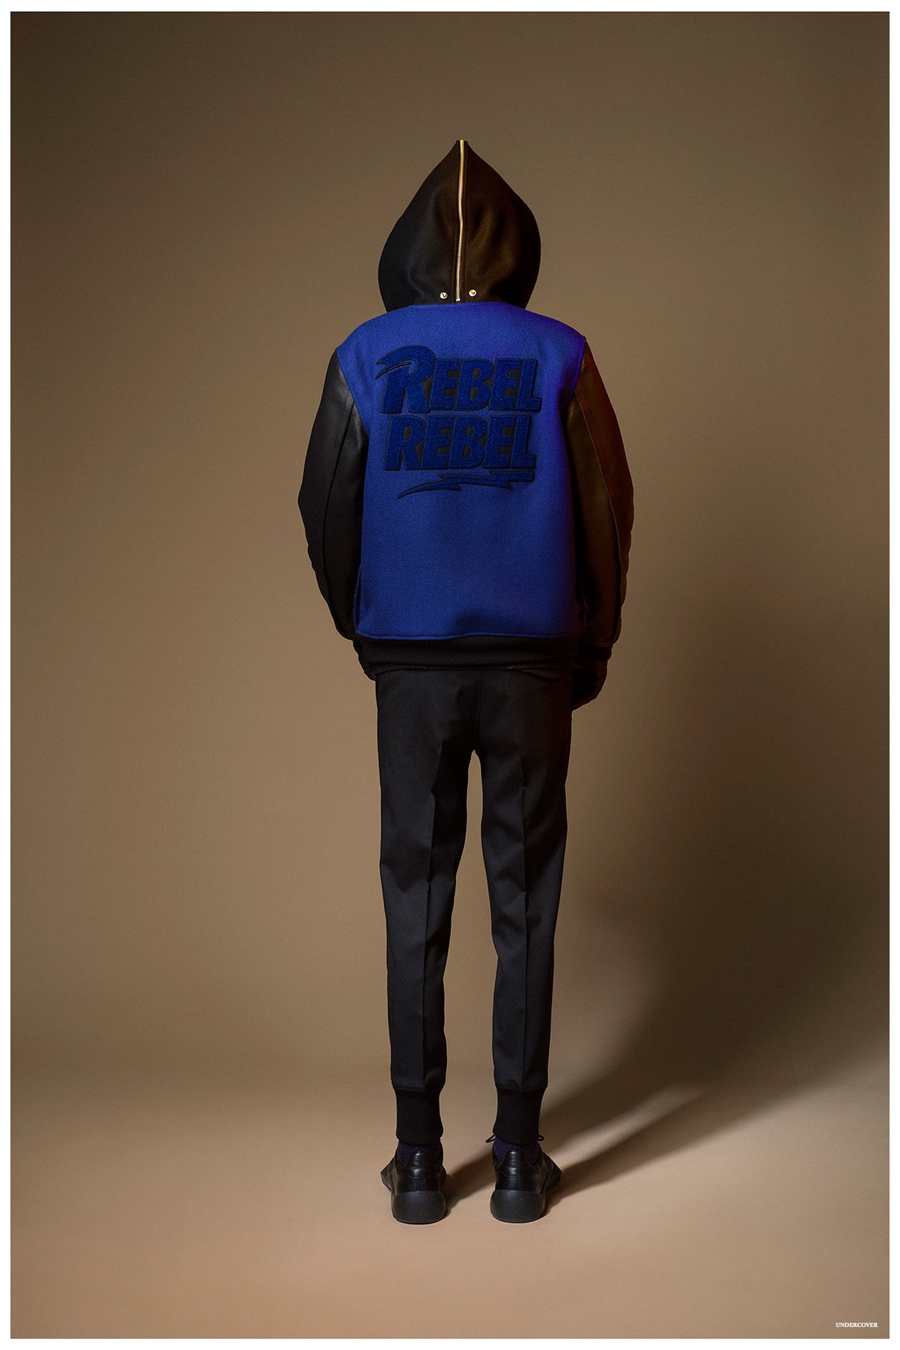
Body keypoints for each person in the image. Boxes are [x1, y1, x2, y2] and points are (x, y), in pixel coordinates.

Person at [298, 140, 633, 1224]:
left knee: (415, 892)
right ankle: (522, 1160)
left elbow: (324, 504)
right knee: (525, 897)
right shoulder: (561, 352)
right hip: (533, 655)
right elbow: (607, 507)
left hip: (411, 659)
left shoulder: (363, 354)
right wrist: (590, 644)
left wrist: (369, 626)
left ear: (403, 250)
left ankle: (417, 1159)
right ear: (518, 250)